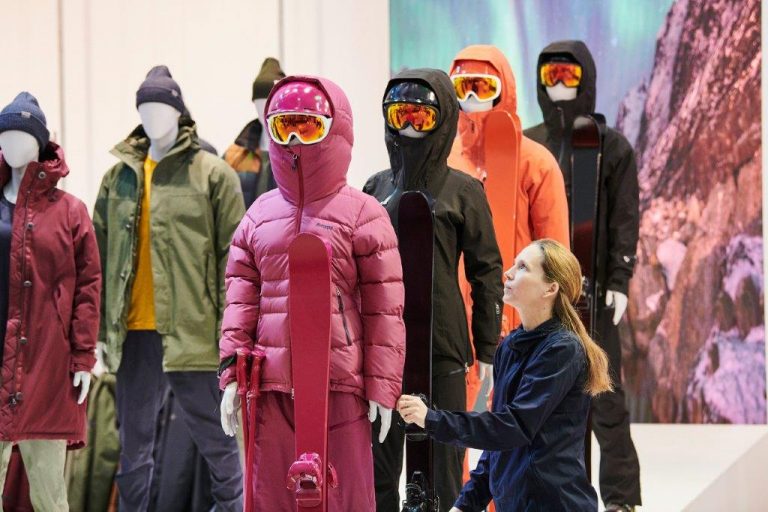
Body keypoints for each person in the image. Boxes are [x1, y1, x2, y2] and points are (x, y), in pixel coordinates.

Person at [218, 75, 405, 510]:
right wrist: (231, 373)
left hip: (338, 382)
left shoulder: (363, 213)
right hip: (270, 384)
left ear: (334, 129)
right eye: (284, 127)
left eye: (307, 125)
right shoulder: (259, 215)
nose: (295, 139)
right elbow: (240, 299)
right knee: (274, 496)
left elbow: (385, 308)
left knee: (343, 494)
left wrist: (382, 386)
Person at [364, 69, 503, 511]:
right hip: (382, 348)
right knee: (378, 467)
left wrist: (487, 347)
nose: (409, 126)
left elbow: (486, 271)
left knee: (441, 468)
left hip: (441, 348)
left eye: (420, 117)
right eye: (399, 115)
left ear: (441, 120)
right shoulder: (375, 188)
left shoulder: (464, 191)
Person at [399, 239, 612, 511]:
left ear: (551, 288)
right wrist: (465, 505)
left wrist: (431, 419)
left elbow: (513, 427)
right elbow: (497, 446)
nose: (508, 273)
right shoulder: (509, 346)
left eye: (522, 267)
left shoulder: (563, 350)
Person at [525, 40, 641, 512]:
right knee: (542, 395)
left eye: (568, 76)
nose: (558, 86)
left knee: (604, 396)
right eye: (550, 76)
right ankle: (549, 492)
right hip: (542, 291)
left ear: (586, 80)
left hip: (593, 289)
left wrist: (619, 278)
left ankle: (620, 498)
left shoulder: (611, 146)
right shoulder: (530, 143)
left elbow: (624, 217)